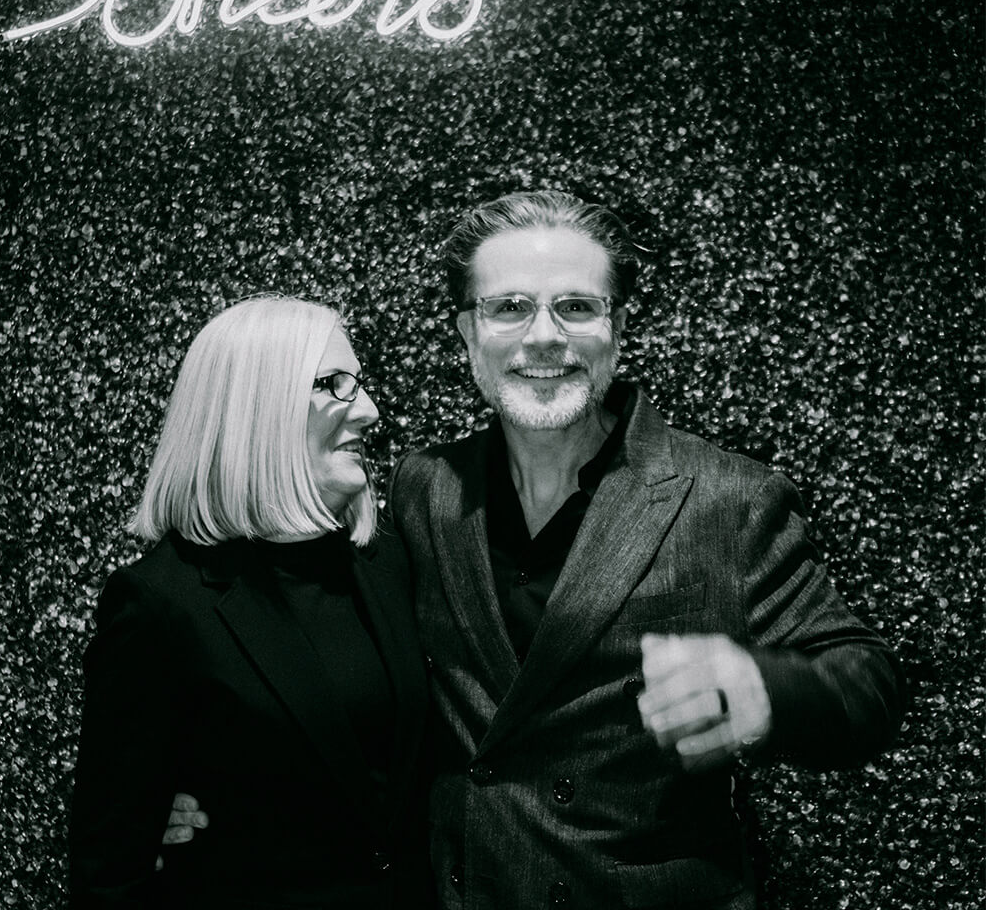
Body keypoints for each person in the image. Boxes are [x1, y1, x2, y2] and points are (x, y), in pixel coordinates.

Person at [165, 192, 906, 909]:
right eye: (509, 307)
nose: (544, 336)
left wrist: (765, 688)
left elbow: (868, 685)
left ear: (618, 328)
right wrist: (211, 777)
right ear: (468, 334)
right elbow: (329, 652)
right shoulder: (426, 487)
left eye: (576, 307)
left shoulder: (728, 496)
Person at [69, 296, 432, 909]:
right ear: (256, 409)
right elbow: (109, 871)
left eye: (360, 382)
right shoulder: (161, 605)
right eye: (334, 384)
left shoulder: (388, 561)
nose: (369, 410)